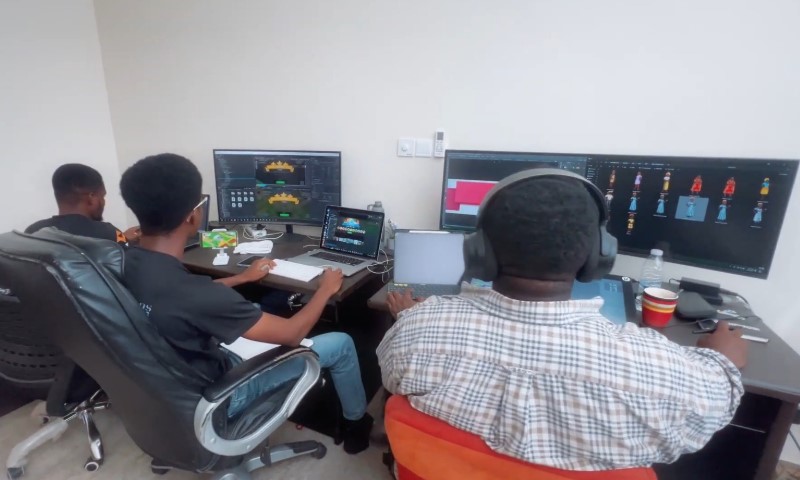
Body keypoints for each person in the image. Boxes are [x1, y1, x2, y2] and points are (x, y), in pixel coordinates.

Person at [377, 174, 746, 471]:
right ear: (599, 257)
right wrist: (722, 360)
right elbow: (715, 404)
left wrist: (412, 316)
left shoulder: (412, 331)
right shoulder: (659, 375)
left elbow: (395, 375)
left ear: (478, 253)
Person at [119, 153, 373, 454]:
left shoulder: (121, 262)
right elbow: (292, 334)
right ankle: (357, 425)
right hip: (223, 394)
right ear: (192, 216)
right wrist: (325, 290)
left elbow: (185, 297)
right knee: (341, 343)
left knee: (254, 309)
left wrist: (242, 279)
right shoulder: (197, 295)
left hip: (167, 386)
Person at [26, 163, 139, 243]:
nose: (104, 201)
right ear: (91, 197)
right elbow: (125, 250)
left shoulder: (33, 231)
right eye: (102, 196)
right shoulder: (109, 233)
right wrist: (124, 239)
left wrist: (123, 237)